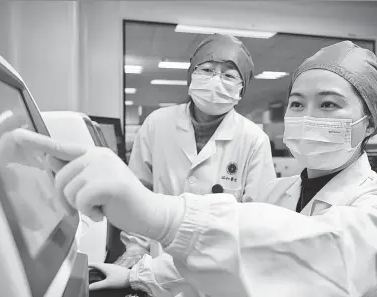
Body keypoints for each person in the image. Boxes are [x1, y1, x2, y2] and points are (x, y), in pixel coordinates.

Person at [15, 41, 377, 297]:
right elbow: (242, 253)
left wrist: (164, 216)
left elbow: (313, 251)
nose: (306, 114)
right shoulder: (279, 194)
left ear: (369, 122)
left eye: (329, 103)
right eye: (297, 103)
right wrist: (138, 276)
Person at [115, 33, 276, 296]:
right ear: (192, 74)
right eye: (208, 70)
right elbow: (137, 191)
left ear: (241, 88)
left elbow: (257, 217)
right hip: (155, 267)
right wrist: (134, 248)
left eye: (228, 75)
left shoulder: (254, 139)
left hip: (220, 274)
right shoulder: (158, 124)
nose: (216, 80)